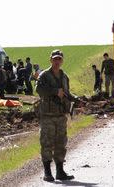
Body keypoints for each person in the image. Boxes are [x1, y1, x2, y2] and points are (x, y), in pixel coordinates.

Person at [36, 49, 76, 182]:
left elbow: (66, 93)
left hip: (60, 115)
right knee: (47, 143)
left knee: (61, 143)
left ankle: (60, 172)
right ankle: (47, 173)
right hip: (47, 115)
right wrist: (54, 91)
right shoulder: (44, 75)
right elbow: (39, 90)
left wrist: (76, 99)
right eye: (55, 59)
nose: (57, 61)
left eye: (59, 59)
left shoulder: (64, 76)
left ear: (62, 60)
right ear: (50, 60)